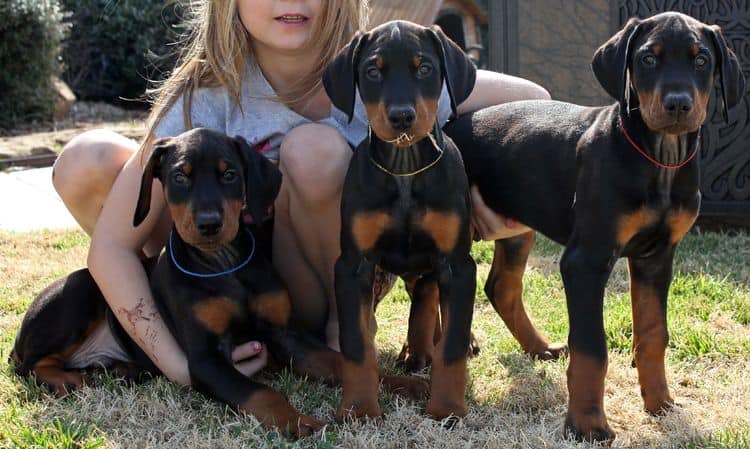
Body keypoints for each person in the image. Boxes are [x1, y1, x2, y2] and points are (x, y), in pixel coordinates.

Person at [52, 0, 549, 385]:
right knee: (86, 160)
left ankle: (343, 336)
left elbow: (534, 102)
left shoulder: (375, 72)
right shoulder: (206, 97)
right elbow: (112, 247)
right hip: (225, 274)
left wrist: (469, 187)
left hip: (324, 282)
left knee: (313, 149)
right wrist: (183, 366)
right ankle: (203, 323)